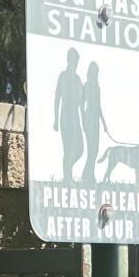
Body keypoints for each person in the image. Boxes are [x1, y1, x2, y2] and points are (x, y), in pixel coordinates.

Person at [53, 48, 84, 183]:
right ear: (69, 60)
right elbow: (57, 98)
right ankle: (68, 178)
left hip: (75, 117)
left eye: (77, 61)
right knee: (68, 148)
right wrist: (55, 119)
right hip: (65, 116)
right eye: (73, 60)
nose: (75, 64)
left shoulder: (78, 79)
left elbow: (81, 103)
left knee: (80, 149)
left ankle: (67, 172)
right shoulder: (63, 76)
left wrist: (84, 122)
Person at [80, 62, 102, 186]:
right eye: (94, 72)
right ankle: (86, 174)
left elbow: (99, 106)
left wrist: (104, 123)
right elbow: (81, 104)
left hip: (96, 119)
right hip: (89, 118)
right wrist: (83, 120)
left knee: (95, 149)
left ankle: (90, 173)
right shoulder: (86, 86)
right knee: (91, 149)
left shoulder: (97, 88)